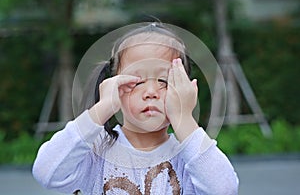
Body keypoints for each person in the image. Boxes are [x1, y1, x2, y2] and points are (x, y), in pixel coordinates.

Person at [32, 22, 239, 195]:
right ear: (115, 87)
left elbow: (224, 189)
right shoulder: (96, 153)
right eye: (137, 81)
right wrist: (102, 108)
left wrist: (184, 119)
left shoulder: (189, 159)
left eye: (163, 80)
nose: (151, 91)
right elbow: (46, 171)